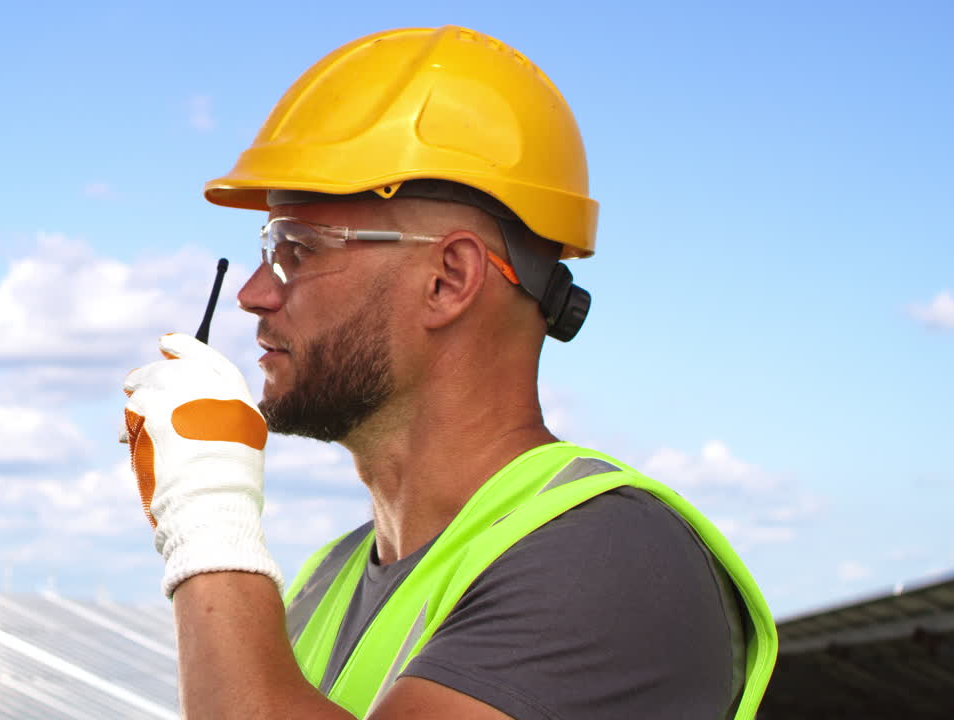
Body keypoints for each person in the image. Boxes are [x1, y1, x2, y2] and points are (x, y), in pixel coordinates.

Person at [122, 25, 778, 720]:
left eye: (298, 248)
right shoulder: (323, 584)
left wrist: (209, 520)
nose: (255, 291)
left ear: (449, 279)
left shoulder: (612, 560)